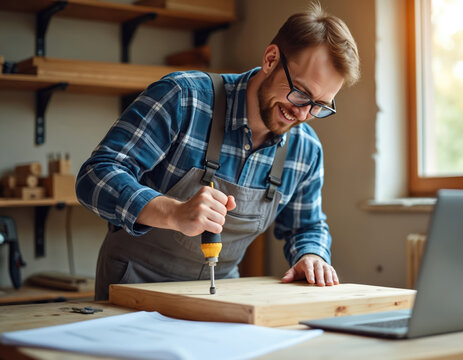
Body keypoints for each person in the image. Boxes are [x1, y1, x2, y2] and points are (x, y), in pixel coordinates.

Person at [76, 1, 360, 300]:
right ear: (271, 59)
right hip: (133, 285)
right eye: (301, 93)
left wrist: (311, 255)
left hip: (221, 293)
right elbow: (95, 176)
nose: (303, 114)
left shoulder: (305, 149)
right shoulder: (184, 97)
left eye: (320, 105)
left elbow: (307, 225)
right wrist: (172, 212)